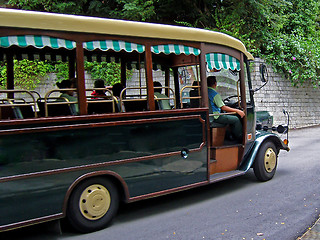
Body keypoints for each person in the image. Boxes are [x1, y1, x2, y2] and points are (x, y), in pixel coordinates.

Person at [207, 76, 245, 140]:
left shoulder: (204, 92)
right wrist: (238, 111)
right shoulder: (214, 94)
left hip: (208, 116)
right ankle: (240, 137)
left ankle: (229, 136)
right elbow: (223, 107)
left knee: (228, 118)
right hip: (215, 116)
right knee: (236, 119)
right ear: (215, 84)